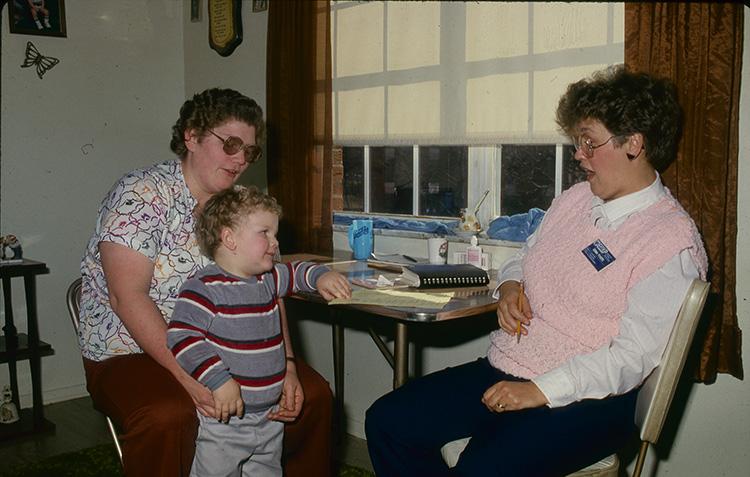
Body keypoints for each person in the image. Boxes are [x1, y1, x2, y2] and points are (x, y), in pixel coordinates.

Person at [365, 65, 708, 476]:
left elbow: (631, 359)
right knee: (388, 421)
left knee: (480, 470)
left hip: (592, 400)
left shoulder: (671, 240)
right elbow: (525, 255)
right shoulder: (576, 200)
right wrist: (510, 285)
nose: (579, 154)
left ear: (634, 143)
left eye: (589, 142)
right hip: (510, 365)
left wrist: (540, 391)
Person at [78, 88, 336, 476]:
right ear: (192, 136)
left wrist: (287, 365)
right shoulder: (141, 194)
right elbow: (126, 296)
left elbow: (268, 289)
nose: (240, 160)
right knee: (169, 414)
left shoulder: (244, 206)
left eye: (249, 151)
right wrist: (192, 378)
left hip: (235, 344)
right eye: (231, 144)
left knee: (311, 396)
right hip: (131, 349)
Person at [166, 185, 351, 476]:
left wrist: (321, 276)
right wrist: (218, 380)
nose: (274, 242)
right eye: (264, 233)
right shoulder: (204, 288)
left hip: (270, 416)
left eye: (274, 234)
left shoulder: (268, 278)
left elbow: (298, 271)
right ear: (229, 238)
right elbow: (181, 336)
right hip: (227, 422)